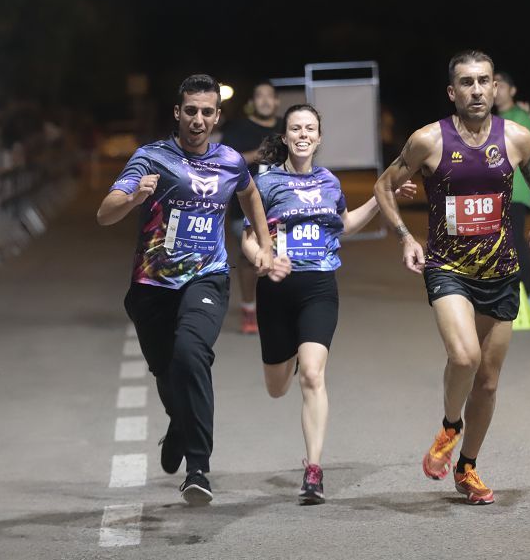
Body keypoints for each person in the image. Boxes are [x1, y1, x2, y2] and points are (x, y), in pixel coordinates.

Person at [373, 50, 530, 504]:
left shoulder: (517, 137)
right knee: (463, 357)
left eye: (484, 81)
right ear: (451, 91)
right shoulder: (427, 140)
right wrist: (404, 237)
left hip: (500, 270)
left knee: (489, 381)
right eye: (466, 82)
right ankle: (450, 426)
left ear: (495, 88)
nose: (476, 90)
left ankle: (468, 468)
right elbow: (384, 186)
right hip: (447, 267)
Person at [96, 74, 274, 506]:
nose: (198, 119)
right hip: (152, 286)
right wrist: (134, 198)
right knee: (166, 371)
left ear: (217, 116)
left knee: (191, 355)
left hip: (207, 277)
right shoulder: (151, 158)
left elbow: (249, 194)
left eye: (206, 112)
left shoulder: (230, 160)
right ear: (178, 113)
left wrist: (264, 241)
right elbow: (105, 213)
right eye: (190, 111)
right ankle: (179, 424)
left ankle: (198, 468)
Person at [242, 103, 416, 503]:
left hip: (319, 287)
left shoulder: (329, 182)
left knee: (314, 376)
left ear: (319, 138)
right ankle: (291, 356)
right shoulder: (265, 184)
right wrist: (262, 259)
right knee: (276, 387)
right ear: (285, 137)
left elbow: (347, 224)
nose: (303, 135)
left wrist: (382, 197)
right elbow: (249, 238)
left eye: (310, 129)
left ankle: (314, 471)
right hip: (276, 289)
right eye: (295, 129)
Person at [219, 82, 282, 334]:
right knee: (250, 258)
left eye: (270, 96)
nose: (265, 101)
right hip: (243, 209)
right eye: (259, 96)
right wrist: (258, 154)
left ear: (277, 102)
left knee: (282, 258)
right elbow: (225, 162)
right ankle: (248, 308)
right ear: (252, 103)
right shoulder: (238, 128)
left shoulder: (286, 127)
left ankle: (278, 308)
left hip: (281, 208)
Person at [494, 71, 530, 294]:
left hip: (516, 189)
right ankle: (508, 286)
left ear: (512, 90)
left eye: (501, 85)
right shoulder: (494, 118)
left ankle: (527, 289)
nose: (496, 89)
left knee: (515, 241)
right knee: (500, 241)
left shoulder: (520, 116)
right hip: (498, 191)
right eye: (493, 85)